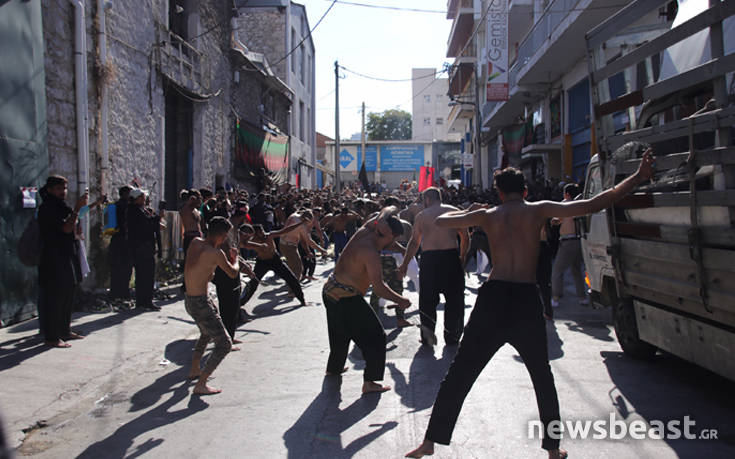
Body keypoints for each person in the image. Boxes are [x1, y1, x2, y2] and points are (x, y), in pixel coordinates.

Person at [405, 149, 655, 459]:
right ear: (524, 191)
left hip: (493, 296)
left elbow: (442, 220)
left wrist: (471, 209)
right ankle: (552, 449)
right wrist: (637, 178)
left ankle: (429, 442)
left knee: (460, 372)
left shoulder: (488, 215)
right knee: (541, 375)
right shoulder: (539, 209)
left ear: (498, 192)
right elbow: (594, 203)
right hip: (524, 297)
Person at [322, 211, 410, 394]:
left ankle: (334, 368)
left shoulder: (365, 230)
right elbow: (379, 287)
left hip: (330, 291)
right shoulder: (370, 253)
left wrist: (384, 218)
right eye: (395, 240)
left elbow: (386, 211)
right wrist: (400, 300)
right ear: (391, 236)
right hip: (346, 298)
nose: (395, 244)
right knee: (377, 336)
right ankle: (370, 382)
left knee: (340, 332)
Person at [398, 188, 468, 346]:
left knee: (427, 301)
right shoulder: (455, 211)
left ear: (427, 199)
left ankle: (428, 336)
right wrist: (461, 258)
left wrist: (404, 264)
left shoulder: (422, 216)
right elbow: (465, 237)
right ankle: (453, 336)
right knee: (454, 300)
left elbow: (415, 242)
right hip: (450, 257)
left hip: (430, 260)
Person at [184, 216, 242, 395]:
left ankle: (195, 368)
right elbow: (232, 274)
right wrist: (235, 259)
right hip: (200, 301)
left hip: (191, 299)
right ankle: (201, 384)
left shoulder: (195, 242)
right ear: (221, 235)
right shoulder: (216, 254)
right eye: (225, 236)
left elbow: (199, 269)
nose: (225, 240)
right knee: (224, 344)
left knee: (205, 332)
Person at [37, 175, 87, 348]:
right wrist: (77, 209)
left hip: (66, 254)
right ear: (50, 189)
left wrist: (77, 220)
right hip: (53, 257)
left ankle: (64, 330)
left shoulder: (61, 206)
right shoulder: (48, 207)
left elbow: (72, 228)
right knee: (55, 298)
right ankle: (51, 336)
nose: (63, 192)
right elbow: (65, 228)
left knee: (67, 294)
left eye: (64, 188)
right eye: (59, 188)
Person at [239, 221, 310, 307]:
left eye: (262, 230)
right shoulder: (253, 240)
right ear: (255, 234)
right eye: (260, 232)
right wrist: (259, 245)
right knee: (253, 284)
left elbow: (285, 230)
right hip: (262, 262)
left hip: (275, 260)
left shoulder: (269, 235)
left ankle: (302, 300)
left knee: (292, 279)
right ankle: (239, 304)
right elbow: (242, 244)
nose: (262, 232)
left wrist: (299, 223)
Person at [212, 209, 255, 345]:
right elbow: (231, 257)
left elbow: (235, 251)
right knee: (227, 307)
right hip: (225, 273)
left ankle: (229, 336)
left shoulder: (233, 231)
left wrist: (242, 263)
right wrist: (241, 265)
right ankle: (225, 339)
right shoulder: (220, 243)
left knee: (233, 305)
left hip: (231, 273)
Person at [551, 183, 588, 307]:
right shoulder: (581, 205)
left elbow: (557, 220)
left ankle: (555, 297)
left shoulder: (566, 204)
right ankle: (582, 297)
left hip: (567, 242)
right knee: (577, 270)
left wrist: (553, 220)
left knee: (557, 270)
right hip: (580, 241)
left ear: (567, 194)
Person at [126, 188, 159, 311]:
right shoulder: (134, 211)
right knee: (144, 274)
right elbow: (146, 225)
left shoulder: (141, 210)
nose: (144, 199)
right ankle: (143, 301)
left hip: (145, 247)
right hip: (141, 247)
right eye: (142, 197)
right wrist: (156, 218)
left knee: (147, 275)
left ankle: (146, 300)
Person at [278, 210, 327, 291]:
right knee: (298, 268)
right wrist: (321, 250)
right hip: (289, 246)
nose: (309, 225)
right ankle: (293, 290)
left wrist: (308, 251)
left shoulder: (294, 215)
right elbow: (309, 241)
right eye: (309, 223)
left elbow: (303, 241)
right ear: (306, 220)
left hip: (283, 243)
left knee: (292, 267)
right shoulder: (302, 226)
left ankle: (291, 283)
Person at [109, 185, 132, 300]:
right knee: (125, 269)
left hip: (116, 240)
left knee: (117, 270)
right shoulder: (127, 207)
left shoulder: (114, 206)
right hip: (123, 241)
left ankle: (116, 293)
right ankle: (123, 293)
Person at [180, 189, 203, 293]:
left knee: (198, 262)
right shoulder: (186, 209)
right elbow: (183, 212)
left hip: (197, 237)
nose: (200, 200)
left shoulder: (195, 210)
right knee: (189, 261)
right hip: (190, 238)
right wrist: (190, 201)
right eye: (198, 198)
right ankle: (185, 285)